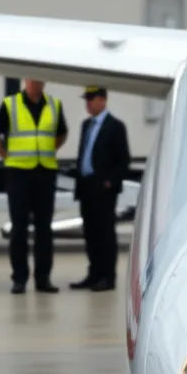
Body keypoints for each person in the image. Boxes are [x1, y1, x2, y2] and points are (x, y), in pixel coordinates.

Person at [0, 79, 67, 294]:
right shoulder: (10, 104)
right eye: (32, 80)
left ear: (44, 82)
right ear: (25, 81)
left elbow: (62, 134)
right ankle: (19, 279)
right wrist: (6, 156)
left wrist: (48, 151)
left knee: (44, 229)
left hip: (45, 172)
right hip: (19, 174)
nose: (35, 83)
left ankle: (43, 279)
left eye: (39, 80)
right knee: (19, 228)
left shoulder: (54, 105)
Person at [70, 87, 130, 292]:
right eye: (86, 99)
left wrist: (110, 182)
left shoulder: (115, 126)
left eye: (91, 99)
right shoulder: (86, 125)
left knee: (105, 233)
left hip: (103, 188)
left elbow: (123, 160)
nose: (88, 103)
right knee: (90, 232)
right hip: (87, 186)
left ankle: (107, 276)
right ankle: (93, 274)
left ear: (103, 101)